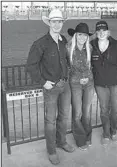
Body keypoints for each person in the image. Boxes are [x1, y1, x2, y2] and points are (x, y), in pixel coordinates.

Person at [26, 9, 75, 165]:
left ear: (62, 23)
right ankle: (51, 150)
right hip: (51, 87)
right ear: (49, 23)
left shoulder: (63, 41)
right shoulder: (40, 43)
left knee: (64, 116)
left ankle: (61, 141)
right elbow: (31, 66)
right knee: (50, 121)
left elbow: (67, 60)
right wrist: (43, 82)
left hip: (65, 85)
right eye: (54, 21)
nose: (57, 24)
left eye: (59, 21)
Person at [91, 20, 117, 145]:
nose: (101, 33)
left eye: (104, 31)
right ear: (96, 33)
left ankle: (114, 131)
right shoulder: (91, 46)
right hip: (100, 85)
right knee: (104, 110)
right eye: (99, 31)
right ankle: (106, 133)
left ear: (108, 32)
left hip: (116, 84)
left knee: (116, 110)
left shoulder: (116, 45)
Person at [66, 23, 94, 151]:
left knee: (87, 112)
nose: (82, 37)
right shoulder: (68, 48)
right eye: (80, 34)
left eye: (85, 35)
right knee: (77, 113)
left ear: (88, 37)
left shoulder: (90, 48)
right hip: (75, 84)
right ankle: (80, 139)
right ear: (76, 35)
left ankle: (88, 136)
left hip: (89, 83)